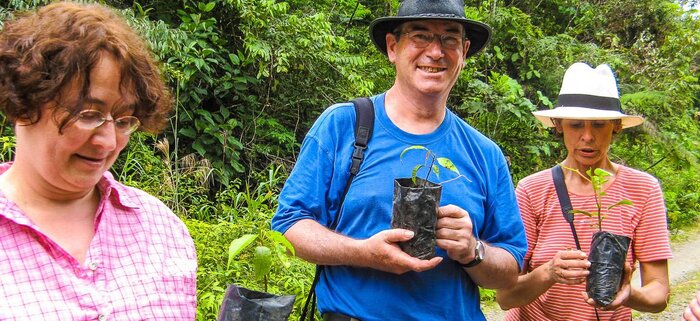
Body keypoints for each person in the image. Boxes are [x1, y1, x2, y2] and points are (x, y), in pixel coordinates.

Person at [271, 0, 527, 320]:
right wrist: (363, 253)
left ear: (464, 51)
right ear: (393, 47)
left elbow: (509, 271)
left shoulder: (485, 154)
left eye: (449, 38)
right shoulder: (345, 126)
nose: (435, 51)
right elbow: (288, 225)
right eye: (420, 35)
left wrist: (472, 249)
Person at [0, 2, 197, 320]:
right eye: (87, 114)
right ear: (23, 104)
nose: (108, 143)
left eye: (123, 119)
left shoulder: (161, 229)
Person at [495, 62, 672, 320]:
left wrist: (628, 294)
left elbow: (659, 294)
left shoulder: (643, 190)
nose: (588, 136)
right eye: (576, 125)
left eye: (599, 125)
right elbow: (505, 298)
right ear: (559, 125)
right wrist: (549, 272)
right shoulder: (532, 190)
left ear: (616, 127)